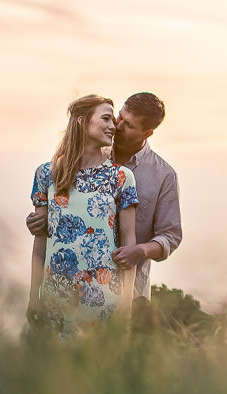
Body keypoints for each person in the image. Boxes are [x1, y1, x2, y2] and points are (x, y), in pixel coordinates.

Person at [26, 90, 182, 306]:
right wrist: (47, 218)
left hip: (130, 292)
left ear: (146, 134)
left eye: (128, 125)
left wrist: (140, 250)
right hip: (69, 291)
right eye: (119, 117)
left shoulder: (163, 175)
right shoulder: (88, 155)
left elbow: (171, 235)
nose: (117, 127)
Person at [28, 94, 139, 335]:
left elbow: (130, 244)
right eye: (106, 119)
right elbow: (40, 242)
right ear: (82, 122)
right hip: (55, 299)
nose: (113, 126)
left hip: (105, 299)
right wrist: (33, 298)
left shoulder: (121, 177)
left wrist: (127, 302)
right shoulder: (46, 174)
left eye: (113, 120)